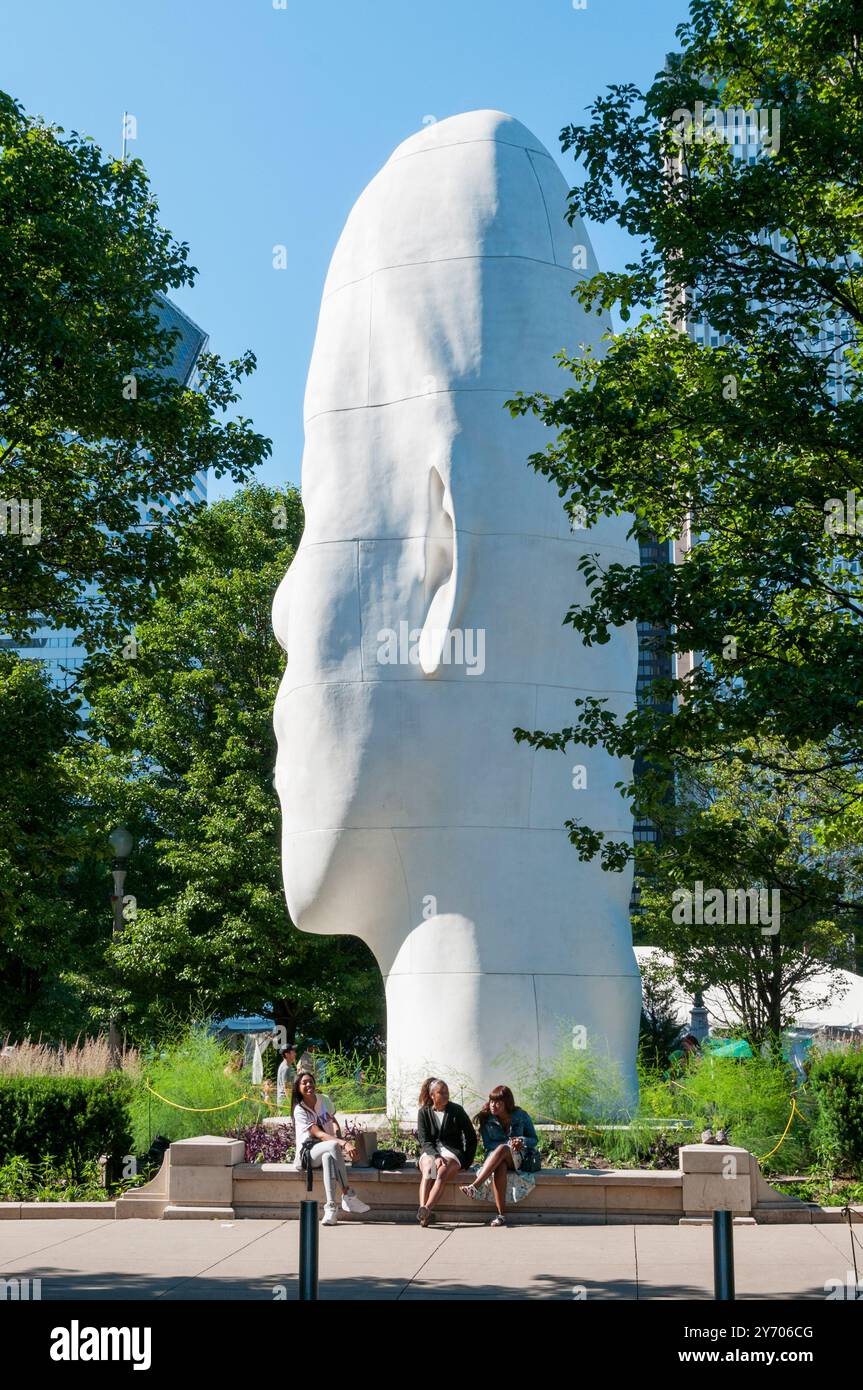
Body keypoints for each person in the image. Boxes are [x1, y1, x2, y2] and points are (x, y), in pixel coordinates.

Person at [290, 1071, 370, 1226]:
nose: (308, 1085)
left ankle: (331, 1209)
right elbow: (318, 1133)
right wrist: (343, 1143)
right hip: (308, 1153)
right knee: (332, 1145)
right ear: (298, 1088)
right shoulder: (300, 1109)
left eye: (310, 1081)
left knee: (328, 1157)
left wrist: (338, 1134)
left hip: (325, 1149)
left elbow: (332, 1121)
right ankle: (347, 1194)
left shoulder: (324, 1099)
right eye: (304, 1083)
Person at [460, 1085, 540, 1226]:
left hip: (518, 1157)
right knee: (500, 1166)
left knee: (503, 1148)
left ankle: (475, 1186)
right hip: (496, 1157)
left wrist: (520, 1141)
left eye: (498, 1102)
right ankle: (501, 1215)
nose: (493, 1105)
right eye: (491, 1101)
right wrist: (508, 1143)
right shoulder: (486, 1118)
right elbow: (488, 1144)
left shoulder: (521, 1116)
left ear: (507, 1103)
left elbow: (534, 1139)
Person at [416, 1078, 477, 1228]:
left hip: (452, 1151)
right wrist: (435, 1156)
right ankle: (424, 1215)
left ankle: (426, 1210)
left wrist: (467, 1161)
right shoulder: (424, 1112)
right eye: (441, 1093)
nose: (445, 1095)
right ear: (432, 1095)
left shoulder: (456, 1110)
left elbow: (471, 1136)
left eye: (447, 1092)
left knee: (441, 1172)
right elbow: (424, 1140)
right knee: (429, 1170)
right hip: (431, 1150)